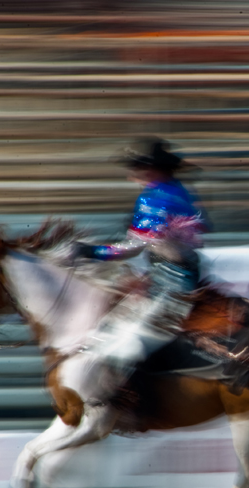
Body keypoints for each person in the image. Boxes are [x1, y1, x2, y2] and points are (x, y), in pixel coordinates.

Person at [75, 137, 210, 392]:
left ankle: (128, 398)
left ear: (152, 169)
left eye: (136, 168)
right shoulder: (178, 191)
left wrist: (92, 251)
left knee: (123, 341)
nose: (132, 175)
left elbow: (132, 247)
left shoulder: (156, 197)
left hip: (171, 284)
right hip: (175, 276)